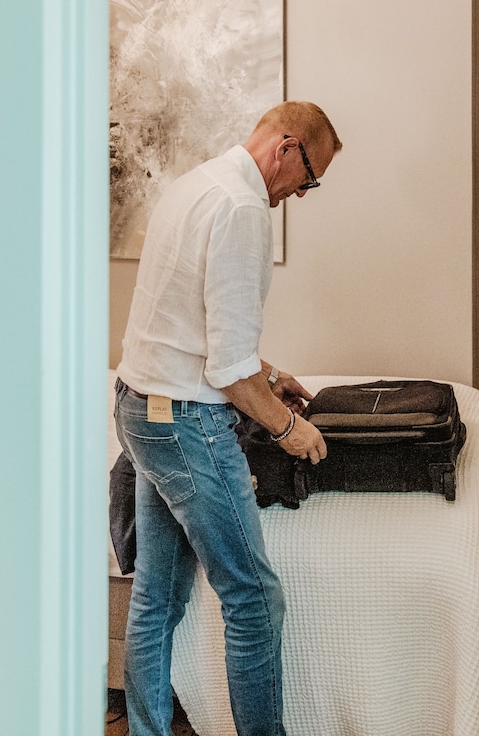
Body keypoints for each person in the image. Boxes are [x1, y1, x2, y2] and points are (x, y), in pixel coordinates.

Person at [114, 101, 342, 736]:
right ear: (287, 148)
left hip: (139, 406)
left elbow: (195, 325)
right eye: (310, 177)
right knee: (254, 599)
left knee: (157, 597)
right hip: (183, 424)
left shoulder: (196, 183)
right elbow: (228, 373)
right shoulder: (242, 208)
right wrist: (289, 428)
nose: (302, 192)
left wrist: (269, 374)